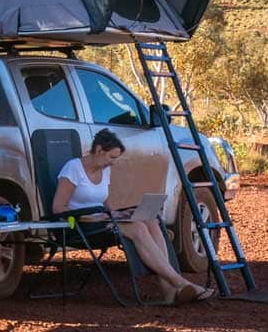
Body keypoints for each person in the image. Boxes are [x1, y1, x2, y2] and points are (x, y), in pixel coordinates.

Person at [51, 128, 213, 305]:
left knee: (150, 220)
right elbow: (58, 208)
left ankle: (168, 291)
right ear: (98, 150)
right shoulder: (73, 169)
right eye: (111, 157)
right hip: (82, 225)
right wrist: (94, 217)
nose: (112, 163)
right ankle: (178, 282)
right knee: (138, 228)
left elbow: (104, 201)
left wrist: (117, 213)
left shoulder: (104, 170)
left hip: (104, 219)